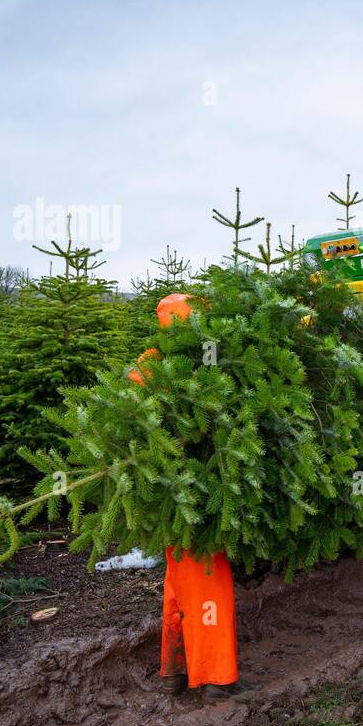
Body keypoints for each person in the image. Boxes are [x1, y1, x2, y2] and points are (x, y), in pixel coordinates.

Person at [129, 293, 242, 701]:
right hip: (200, 496)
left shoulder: (146, 363)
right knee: (207, 583)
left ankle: (174, 670)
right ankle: (215, 676)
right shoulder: (203, 365)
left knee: (177, 584)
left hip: (162, 497)